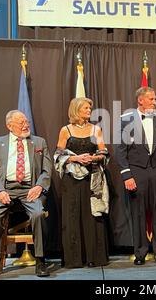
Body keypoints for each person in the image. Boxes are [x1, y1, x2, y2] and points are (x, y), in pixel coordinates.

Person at [0, 110, 52, 278]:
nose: (26, 125)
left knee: (37, 214)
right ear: (9, 126)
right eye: (21, 123)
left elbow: (47, 170)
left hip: (29, 189)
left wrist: (39, 186)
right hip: (4, 189)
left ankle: (40, 260)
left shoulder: (39, 142)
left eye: (26, 121)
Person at [114, 87, 156, 265]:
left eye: (155, 99)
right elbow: (120, 149)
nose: (155, 102)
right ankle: (140, 253)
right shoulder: (125, 120)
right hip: (136, 171)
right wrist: (127, 176)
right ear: (140, 100)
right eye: (151, 99)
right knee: (138, 213)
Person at [54, 97, 109, 268]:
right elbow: (58, 154)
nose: (89, 111)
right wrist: (75, 158)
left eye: (89, 108)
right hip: (71, 181)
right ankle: (74, 259)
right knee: (72, 216)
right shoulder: (66, 130)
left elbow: (104, 153)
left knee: (92, 216)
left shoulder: (96, 129)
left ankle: (94, 257)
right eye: (86, 108)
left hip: (92, 179)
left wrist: (92, 158)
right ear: (76, 110)